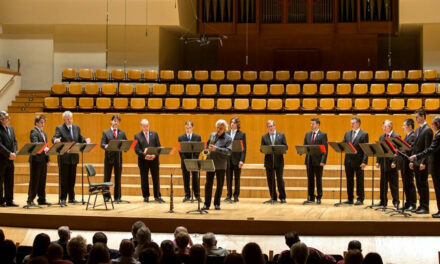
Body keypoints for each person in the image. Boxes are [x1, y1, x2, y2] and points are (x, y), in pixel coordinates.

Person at [52, 111, 90, 205]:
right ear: (64, 119)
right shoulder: (60, 128)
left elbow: (80, 138)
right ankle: (63, 198)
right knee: (64, 179)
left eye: (70, 118)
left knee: (72, 178)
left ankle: (71, 198)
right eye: (67, 119)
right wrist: (55, 140)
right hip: (64, 158)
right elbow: (55, 137)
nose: (69, 120)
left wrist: (85, 140)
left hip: (74, 157)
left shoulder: (76, 128)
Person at [410, 116, 440, 218]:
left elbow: (429, 148)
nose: (432, 126)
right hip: (432, 164)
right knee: (432, 187)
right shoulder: (436, 133)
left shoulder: (436, 134)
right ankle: (425, 206)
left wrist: (418, 158)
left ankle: (430, 208)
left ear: (438, 124)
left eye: (433, 124)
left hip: (436, 165)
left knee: (436, 188)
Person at [202, 119, 232, 210]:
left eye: (221, 128)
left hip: (221, 164)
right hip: (210, 163)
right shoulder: (212, 135)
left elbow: (228, 151)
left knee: (219, 185)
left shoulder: (228, 138)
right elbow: (207, 145)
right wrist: (206, 150)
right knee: (208, 184)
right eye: (218, 127)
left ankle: (217, 203)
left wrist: (217, 149)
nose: (218, 129)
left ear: (225, 128)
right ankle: (206, 204)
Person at [409, 109, 433, 214]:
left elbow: (427, 148)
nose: (416, 119)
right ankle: (421, 204)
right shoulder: (419, 129)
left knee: (423, 185)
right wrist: (412, 161)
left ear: (423, 116)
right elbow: (415, 148)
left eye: (417, 117)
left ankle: (425, 206)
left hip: (422, 162)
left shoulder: (427, 130)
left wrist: (423, 162)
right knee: (419, 184)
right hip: (417, 162)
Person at [134, 119, 164, 203]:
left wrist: (155, 155)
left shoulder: (154, 134)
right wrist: (145, 156)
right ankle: (146, 196)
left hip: (154, 160)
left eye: (147, 126)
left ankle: (157, 196)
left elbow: (159, 147)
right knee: (144, 178)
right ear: (141, 126)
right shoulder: (137, 136)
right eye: (144, 126)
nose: (146, 128)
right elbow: (137, 150)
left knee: (156, 178)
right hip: (143, 161)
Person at [101, 115, 127, 203]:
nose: (116, 122)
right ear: (111, 121)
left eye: (118, 121)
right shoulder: (106, 132)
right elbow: (102, 144)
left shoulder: (122, 133)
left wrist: (126, 148)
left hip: (118, 159)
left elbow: (126, 143)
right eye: (114, 121)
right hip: (109, 158)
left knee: (118, 178)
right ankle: (106, 196)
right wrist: (106, 146)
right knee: (107, 177)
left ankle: (117, 197)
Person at [342, 117, 368, 205]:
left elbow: (366, 149)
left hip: (359, 161)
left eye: (353, 123)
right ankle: (350, 198)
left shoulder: (364, 134)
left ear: (358, 124)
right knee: (349, 180)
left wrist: (364, 161)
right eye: (351, 123)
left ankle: (360, 198)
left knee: (359, 181)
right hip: (348, 161)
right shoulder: (347, 133)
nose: (351, 125)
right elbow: (344, 144)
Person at [261, 120, 288, 203]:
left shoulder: (281, 135)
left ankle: (282, 197)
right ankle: (273, 197)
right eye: (269, 126)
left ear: (275, 126)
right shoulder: (264, 137)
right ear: (267, 128)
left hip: (279, 161)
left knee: (280, 179)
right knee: (270, 180)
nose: (271, 128)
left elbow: (286, 146)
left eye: (272, 126)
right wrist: (265, 149)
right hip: (269, 161)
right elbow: (261, 149)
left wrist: (281, 148)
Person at [303, 118, 328, 205]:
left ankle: (319, 197)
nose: (311, 125)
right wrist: (301, 151)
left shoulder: (323, 135)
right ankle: (311, 197)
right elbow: (305, 146)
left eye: (313, 124)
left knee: (318, 179)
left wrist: (323, 161)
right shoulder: (307, 134)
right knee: (310, 179)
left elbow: (325, 149)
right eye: (311, 124)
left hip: (318, 161)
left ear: (318, 125)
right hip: (309, 161)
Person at [375, 120, 400, 208]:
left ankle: (396, 201)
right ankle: (383, 201)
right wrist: (378, 161)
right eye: (383, 127)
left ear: (390, 127)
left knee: (393, 184)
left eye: (385, 127)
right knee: (383, 183)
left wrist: (394, 162)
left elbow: (398, 151)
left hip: (392, 164)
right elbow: (380, 150)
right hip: (384, 163)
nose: (383, 128)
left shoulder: (396, 136)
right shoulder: (382, 137)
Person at [28, 114, 50, 207]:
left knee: (42, 180)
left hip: (43, 160)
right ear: (36, 123)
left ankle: (42, 199)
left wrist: (47, 159)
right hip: (36, 160)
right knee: (34, 180)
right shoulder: (33, 132)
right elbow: (35, 143)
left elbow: (47, 146)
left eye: (44, 122)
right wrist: (44, 148)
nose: (43, 124)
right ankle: (30, 199)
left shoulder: (43, 133)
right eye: (41, 122)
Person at [177, 121, 202, 202]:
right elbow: (180, 150)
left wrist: (194, 158)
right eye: (187, 128)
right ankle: (187, 195)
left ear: (192, 128)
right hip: (185, 161)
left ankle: (197, 195)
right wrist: (185, 159)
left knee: (195, 178)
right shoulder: (180, 137)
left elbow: (198, 150)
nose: (188, 129)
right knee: (186, 178)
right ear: (185, 127)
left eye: (190, 128)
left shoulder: (197, 137)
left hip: (194, 160)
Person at [225, 117, 246, 203]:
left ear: (237, 124)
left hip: (237, 159)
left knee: (237, 178)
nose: (232, 124)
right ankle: (229, 195)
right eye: (231, 122)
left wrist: (242, 160)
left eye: (234, 122)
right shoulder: (226, 133)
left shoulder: (241, 134)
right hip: (228, 159)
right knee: (228, 178)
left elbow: (244, 149)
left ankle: (236, 195)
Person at [0, 111, 18, 207]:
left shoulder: (11, 128)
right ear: (1, 119)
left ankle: (9, 200)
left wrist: (14, 152)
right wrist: (8, 153)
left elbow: (14, 141)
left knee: (10, 180)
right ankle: (0, 201)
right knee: (0, 180)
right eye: (6, 118)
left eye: (8, 117)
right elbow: (0, 145)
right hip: (2, 159)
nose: (8, 119)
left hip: (11, 159)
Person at [399, 119, 417, 211]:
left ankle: (413, 204)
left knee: (409, 183)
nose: (402, 127)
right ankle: (407, 202)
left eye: (404, 125)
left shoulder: (413, 136)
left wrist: (401, 150)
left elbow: (411, 149)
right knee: (406, 183)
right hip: (404, 163)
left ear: (410, 126)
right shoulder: (406, 136)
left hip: (408, 163)